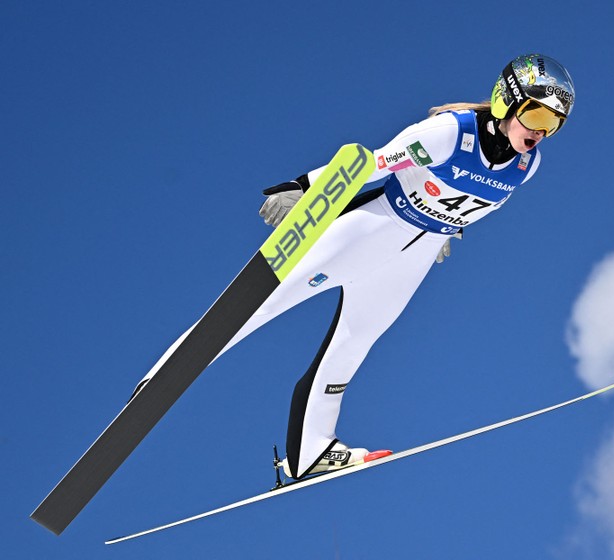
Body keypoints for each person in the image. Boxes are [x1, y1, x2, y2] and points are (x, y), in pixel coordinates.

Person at [142, 53, 575, 481]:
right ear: (507, 101)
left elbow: (470, 199)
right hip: (371, 229)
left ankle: (311, 451)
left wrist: (447, 230)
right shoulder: (449, 133)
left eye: (552, 124)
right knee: (261, 304)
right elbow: (372, 163)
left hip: (412, 259)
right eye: (535, 114)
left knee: (355, 343)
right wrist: (305, 186)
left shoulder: (526, 166)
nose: (541, 132)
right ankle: (161, 380)